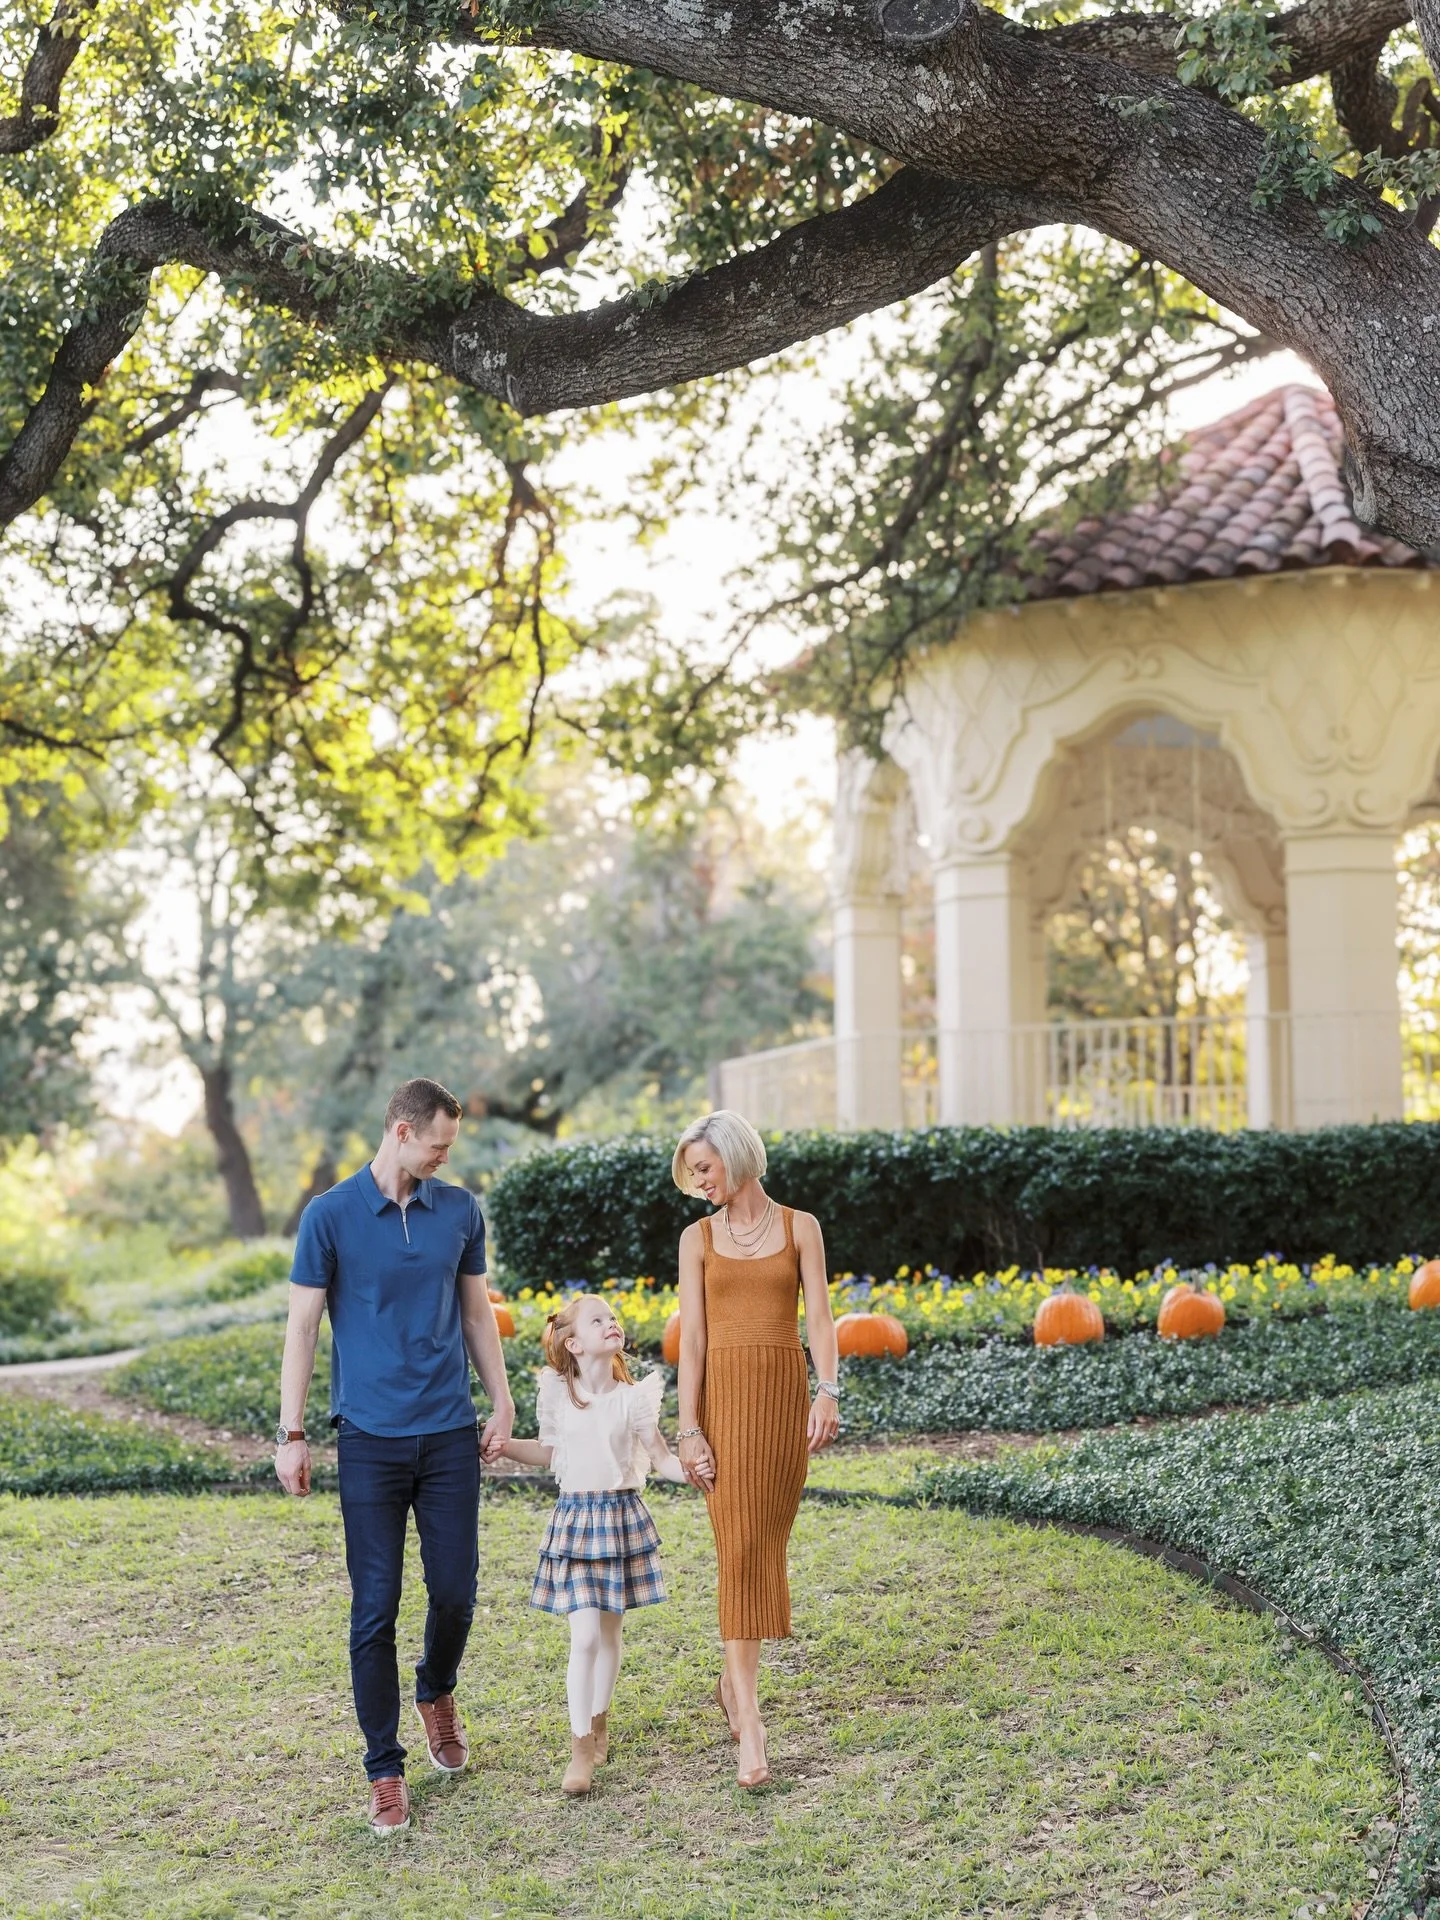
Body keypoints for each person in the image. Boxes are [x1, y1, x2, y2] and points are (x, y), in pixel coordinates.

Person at [274, 1077, 515, 1836]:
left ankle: (436, 1688)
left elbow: (477, 1312)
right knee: (373, 1609)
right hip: (370, 1441)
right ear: (402, 1132)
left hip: (448, 1433)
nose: (446, 1157)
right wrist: (292, 1432)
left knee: (456, 1592)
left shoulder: (459, 1211)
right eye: (438, 1144)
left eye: (451, 1146)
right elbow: (304, 1329)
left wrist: (501, 1400)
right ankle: (384, 1768)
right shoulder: (331, 1215)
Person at [671, 1109, 840, 1789]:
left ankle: (731, 1685)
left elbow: (821, 1316)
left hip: (781, 1400)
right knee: (736, 1549)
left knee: (763, 1545)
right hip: (723, 1402)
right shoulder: (696, 1238)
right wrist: (688, 1428)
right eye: (693, 1172)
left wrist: (828, 1390)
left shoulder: (802, 1227)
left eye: (704, 1168)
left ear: (738, 1157)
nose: (699, 1181)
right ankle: (751, 1721)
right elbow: (694, 1341)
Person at [495, 1293, 686, 1796]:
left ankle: (599, 1718)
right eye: (598, 1319)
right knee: (583, 1637)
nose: (612, 1324)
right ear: (574, 1343)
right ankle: (580, 1746)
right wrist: (500, 1446)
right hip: (577, 1521)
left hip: (620, 1518)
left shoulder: (633, 1399)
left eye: (613, 1318)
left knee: (608, 1635)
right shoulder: (559, 1394)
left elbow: (661, 1457)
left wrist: (694, 1472)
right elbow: (547, 1451)